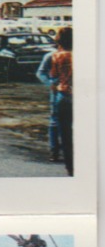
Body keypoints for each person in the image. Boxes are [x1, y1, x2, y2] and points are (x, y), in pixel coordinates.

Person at [49, 26, 73, 175]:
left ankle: (70, 166)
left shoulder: (57, 56)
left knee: (65, 131)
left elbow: (54, 74)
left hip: (64, 94)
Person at [36, 35, 62, 162]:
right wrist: (50, 84)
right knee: (55, 120)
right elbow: (41, 72)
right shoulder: (51, 56)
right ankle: (54, 149)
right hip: (57, 91)